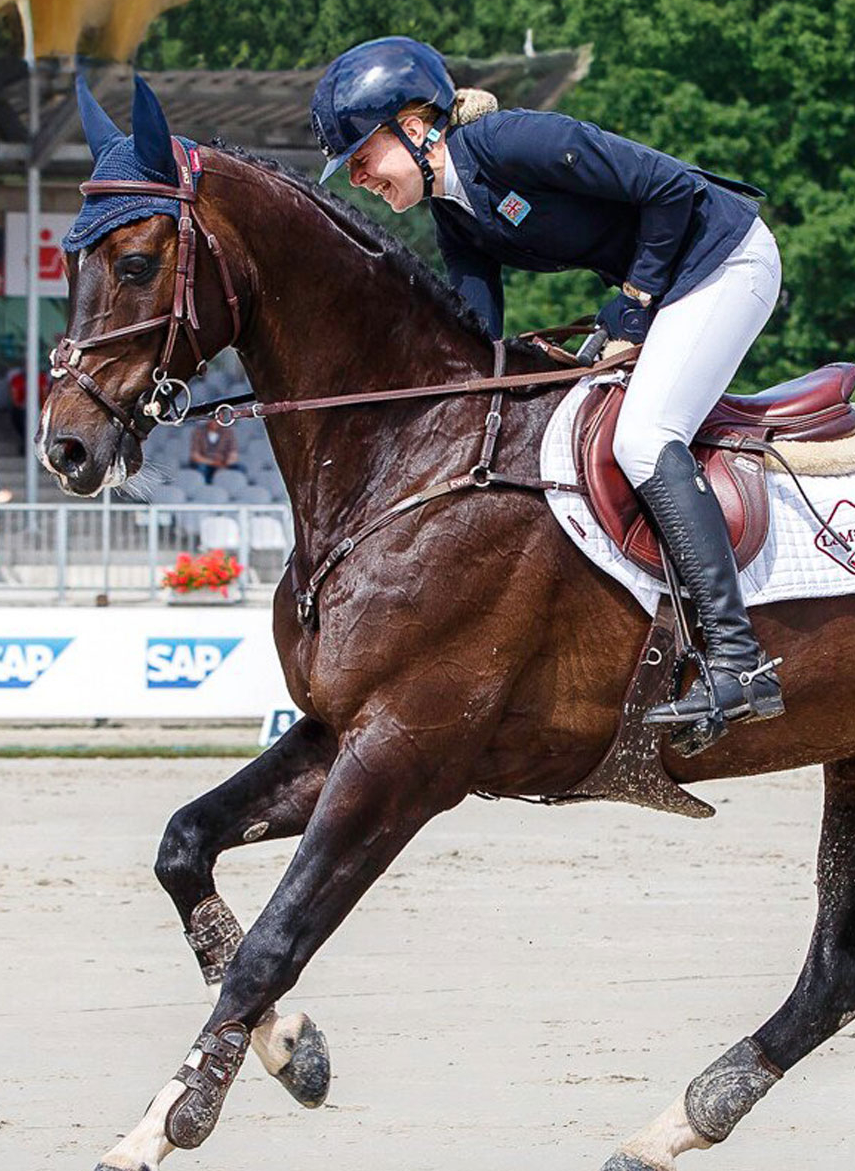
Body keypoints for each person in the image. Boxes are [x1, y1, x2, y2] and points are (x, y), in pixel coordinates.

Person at [310, 37, 785, 741]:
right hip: (667, 286)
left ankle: (739, 663)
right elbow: (477, 335)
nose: (358, 178)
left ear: (413, 128)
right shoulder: (453, 210)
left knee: (645, 438)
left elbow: (672, 190)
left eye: (361, 158)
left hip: (723, 258)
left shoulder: (510, 142)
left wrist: (630, 306)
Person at [188, 415, 241, 488]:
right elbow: (195, 455)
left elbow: (233, 453)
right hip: (205, 462)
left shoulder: (228, 432)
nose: (214, 421)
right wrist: (213, 463)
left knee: (239, 469)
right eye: (212, 418)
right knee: (201, 469)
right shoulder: (198, 433)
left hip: (223, 462)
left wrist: (226, 463)